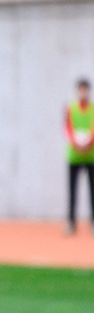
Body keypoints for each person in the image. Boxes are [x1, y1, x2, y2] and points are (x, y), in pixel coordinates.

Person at [65, 77, 94, 235]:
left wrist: (87, 143)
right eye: (81, 90)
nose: (83, 93)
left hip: (90, 156)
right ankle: (71, 222)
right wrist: (76, 143)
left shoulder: (93, 110)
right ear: (77, 91)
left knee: (92, 192)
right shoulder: (71, 108)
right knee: (72, 192)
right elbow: (67, 129)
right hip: (74, 156)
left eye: (85, 90)